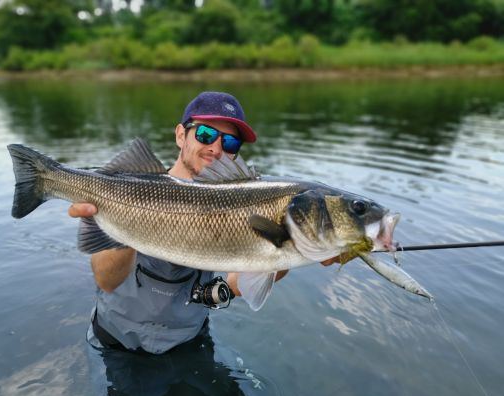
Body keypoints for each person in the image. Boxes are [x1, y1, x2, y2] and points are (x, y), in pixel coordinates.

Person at [69, 91, 341, 355]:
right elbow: (106, 281)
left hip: (189, 343)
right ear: (180, 135)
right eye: (206, 134)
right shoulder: (132, 188)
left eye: (231, 143)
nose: (216, 148)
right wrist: (122, 213)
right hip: (117, 346)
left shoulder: (247, 202)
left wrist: (303, 245)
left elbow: (238, 283)